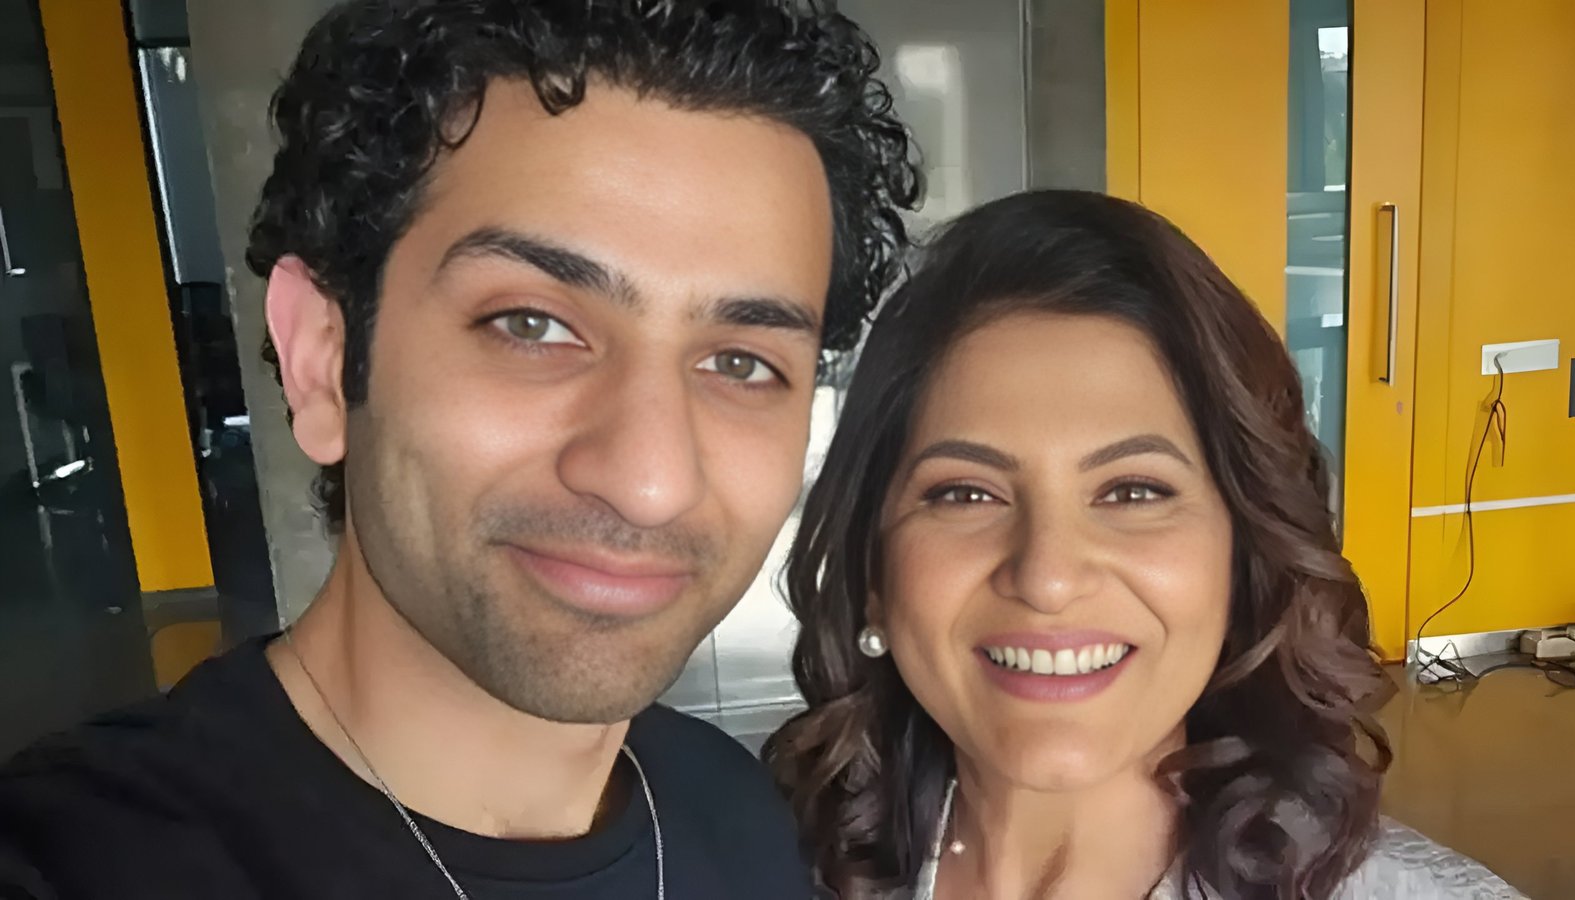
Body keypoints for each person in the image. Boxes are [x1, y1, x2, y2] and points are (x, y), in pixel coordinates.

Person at [0, 1, 918, 897]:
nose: (651, 482)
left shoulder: (740, 815)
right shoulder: (79, 859)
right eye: (531, 324)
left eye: (741, 362)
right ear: (323, 359)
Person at [765, 190, 1524, 899]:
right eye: (966, 493)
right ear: (874, 572)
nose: (1048, 578)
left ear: (1243, 555)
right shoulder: (750, 865)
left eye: (1133, 491)